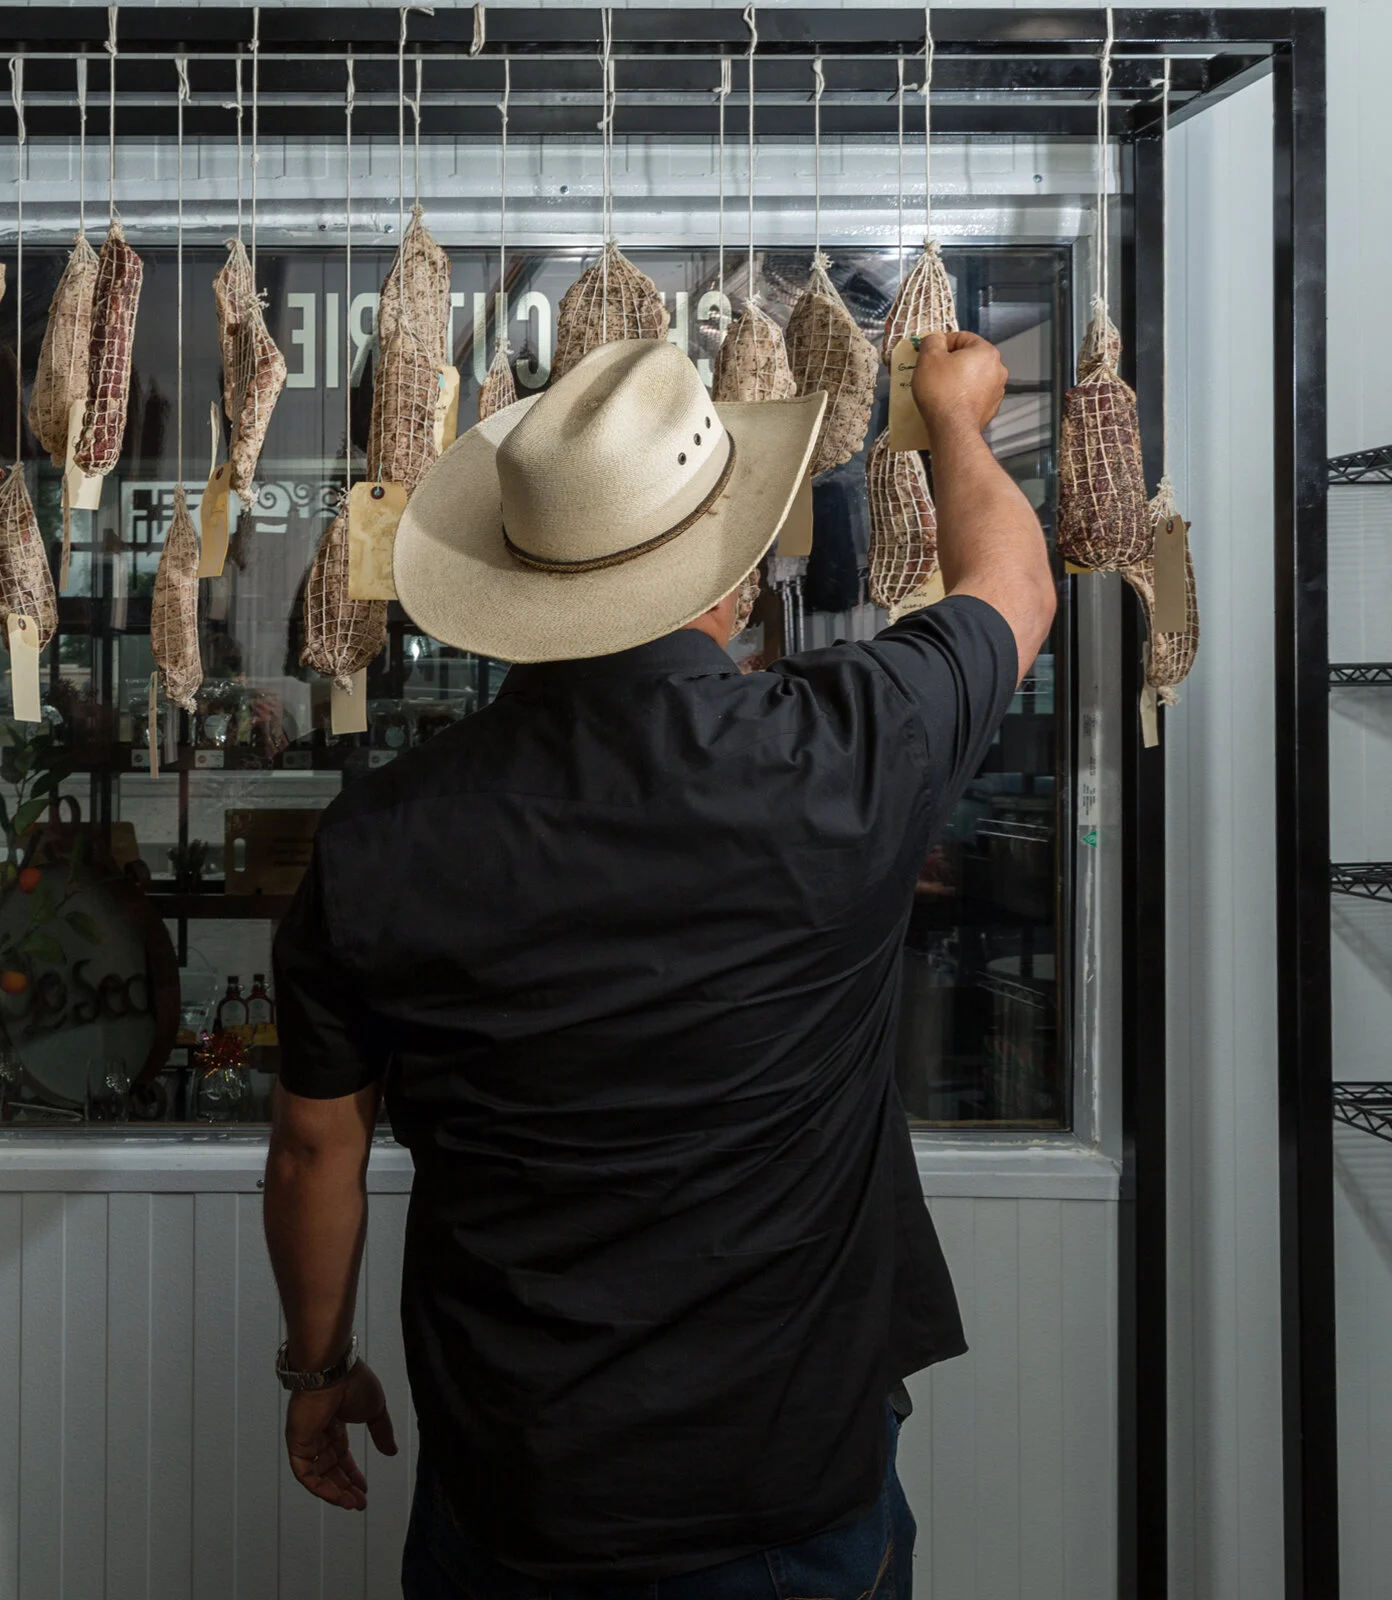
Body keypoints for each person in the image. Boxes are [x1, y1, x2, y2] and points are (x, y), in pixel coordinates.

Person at [262, 331, 1054, 1599]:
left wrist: (318, 1368)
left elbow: (316, 1150)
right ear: (729, 575)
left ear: (520, 582)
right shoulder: (845, 749)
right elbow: (1012, 585)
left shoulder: (380, 835)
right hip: (785, 1496)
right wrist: (956, 417)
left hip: (514, 1492)